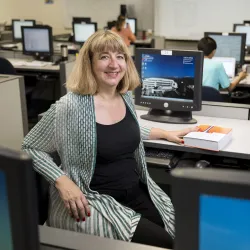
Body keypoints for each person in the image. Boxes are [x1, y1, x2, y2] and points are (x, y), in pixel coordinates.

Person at [22, 30, 197, 249]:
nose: (114, 64)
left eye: (120, 56)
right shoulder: (70, 107)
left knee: (183, 234)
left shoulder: (124, 96)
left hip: (134, 191)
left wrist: (164, 133)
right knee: (164, 243)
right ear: (90, 63)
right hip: (94, 200)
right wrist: (62, 180)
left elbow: (123, 129)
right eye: (104, 56)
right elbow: (30, 147)